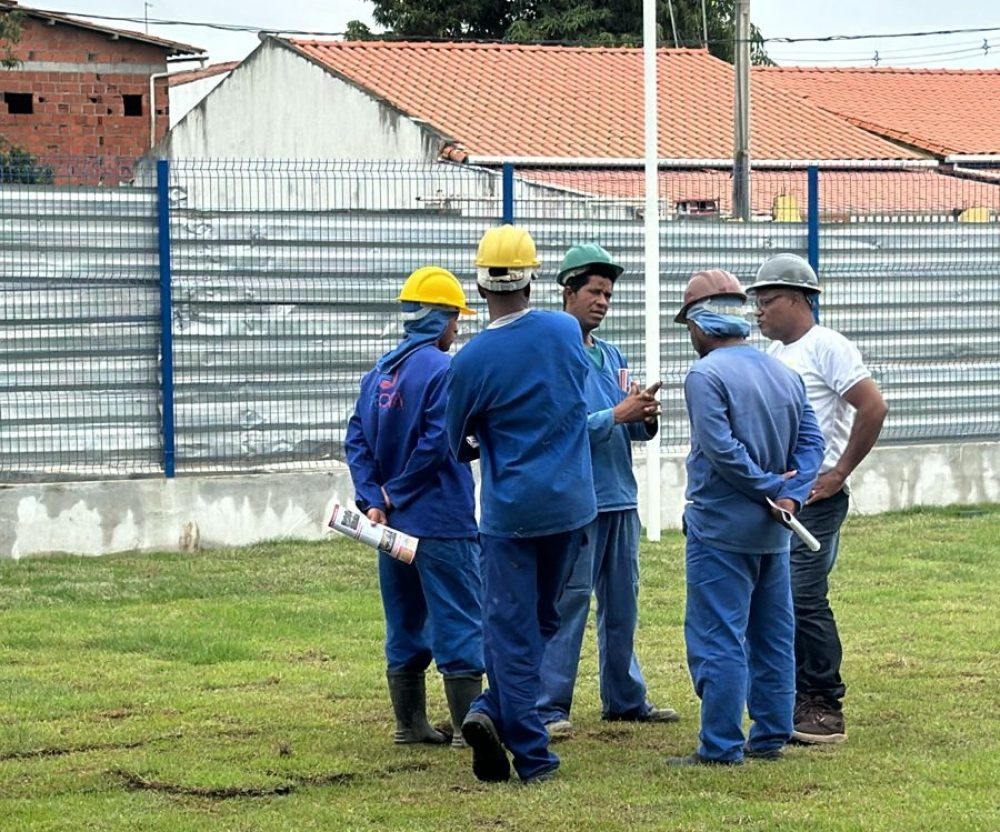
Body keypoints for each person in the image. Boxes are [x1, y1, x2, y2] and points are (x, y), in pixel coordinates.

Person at [445, 225, 597, 785]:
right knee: (542, 620)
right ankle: (490, 710)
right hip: (571, 505)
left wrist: (486, 437)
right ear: (533, 281)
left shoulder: (471, 360)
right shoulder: (565, 330)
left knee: (509, 631)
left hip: (510, 513)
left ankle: (529, 753)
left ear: (480, 286)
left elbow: (455, 441)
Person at [670, 269, 825, 766]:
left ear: (700, 324)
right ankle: (772, 733)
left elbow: (720, 450)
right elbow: (812, 443)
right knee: (772, 634)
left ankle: (720, 745)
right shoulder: (783, 373)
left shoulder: (705, 376)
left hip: (720, 529)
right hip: (774, 531)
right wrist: (791, 497)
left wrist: (769, 486)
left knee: (718, 635)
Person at [537, 243, 678, 737]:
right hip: (579, 502)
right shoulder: (553, 355)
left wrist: (645, 417)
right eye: (594, 292)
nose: (602, 302)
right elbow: (559, 429)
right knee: (570, 601)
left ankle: (625, 697)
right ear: (568, 292)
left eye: (609, 294)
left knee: (623, 604)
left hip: (620, 497)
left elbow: (628, 426)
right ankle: (549, 705)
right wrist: (616, 415)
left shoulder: (612, 354)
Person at [748, 253, 888, 745]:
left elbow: (873, 407)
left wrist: (838, 473)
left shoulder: (828, 346)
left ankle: (824, 704)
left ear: (798, 299)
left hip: (817, 501)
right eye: (756, 303)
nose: (758, 311)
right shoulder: (774, 355)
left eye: (767, 301)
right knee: (778, 597)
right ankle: (787, 696)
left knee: (804, 596)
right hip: (782, 500)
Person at [344, 265, 485, 750]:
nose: (457, 328)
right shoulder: (445, 370)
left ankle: (410, 724)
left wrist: (373, 498)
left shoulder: (379, 373)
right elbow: (439, 442)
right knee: (458, 616)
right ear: (440, 317)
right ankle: (467, 728)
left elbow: (356, 440)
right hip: (441, 521)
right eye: (455, 318)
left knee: (404, 619)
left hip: (390, 528)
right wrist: (396, 493)